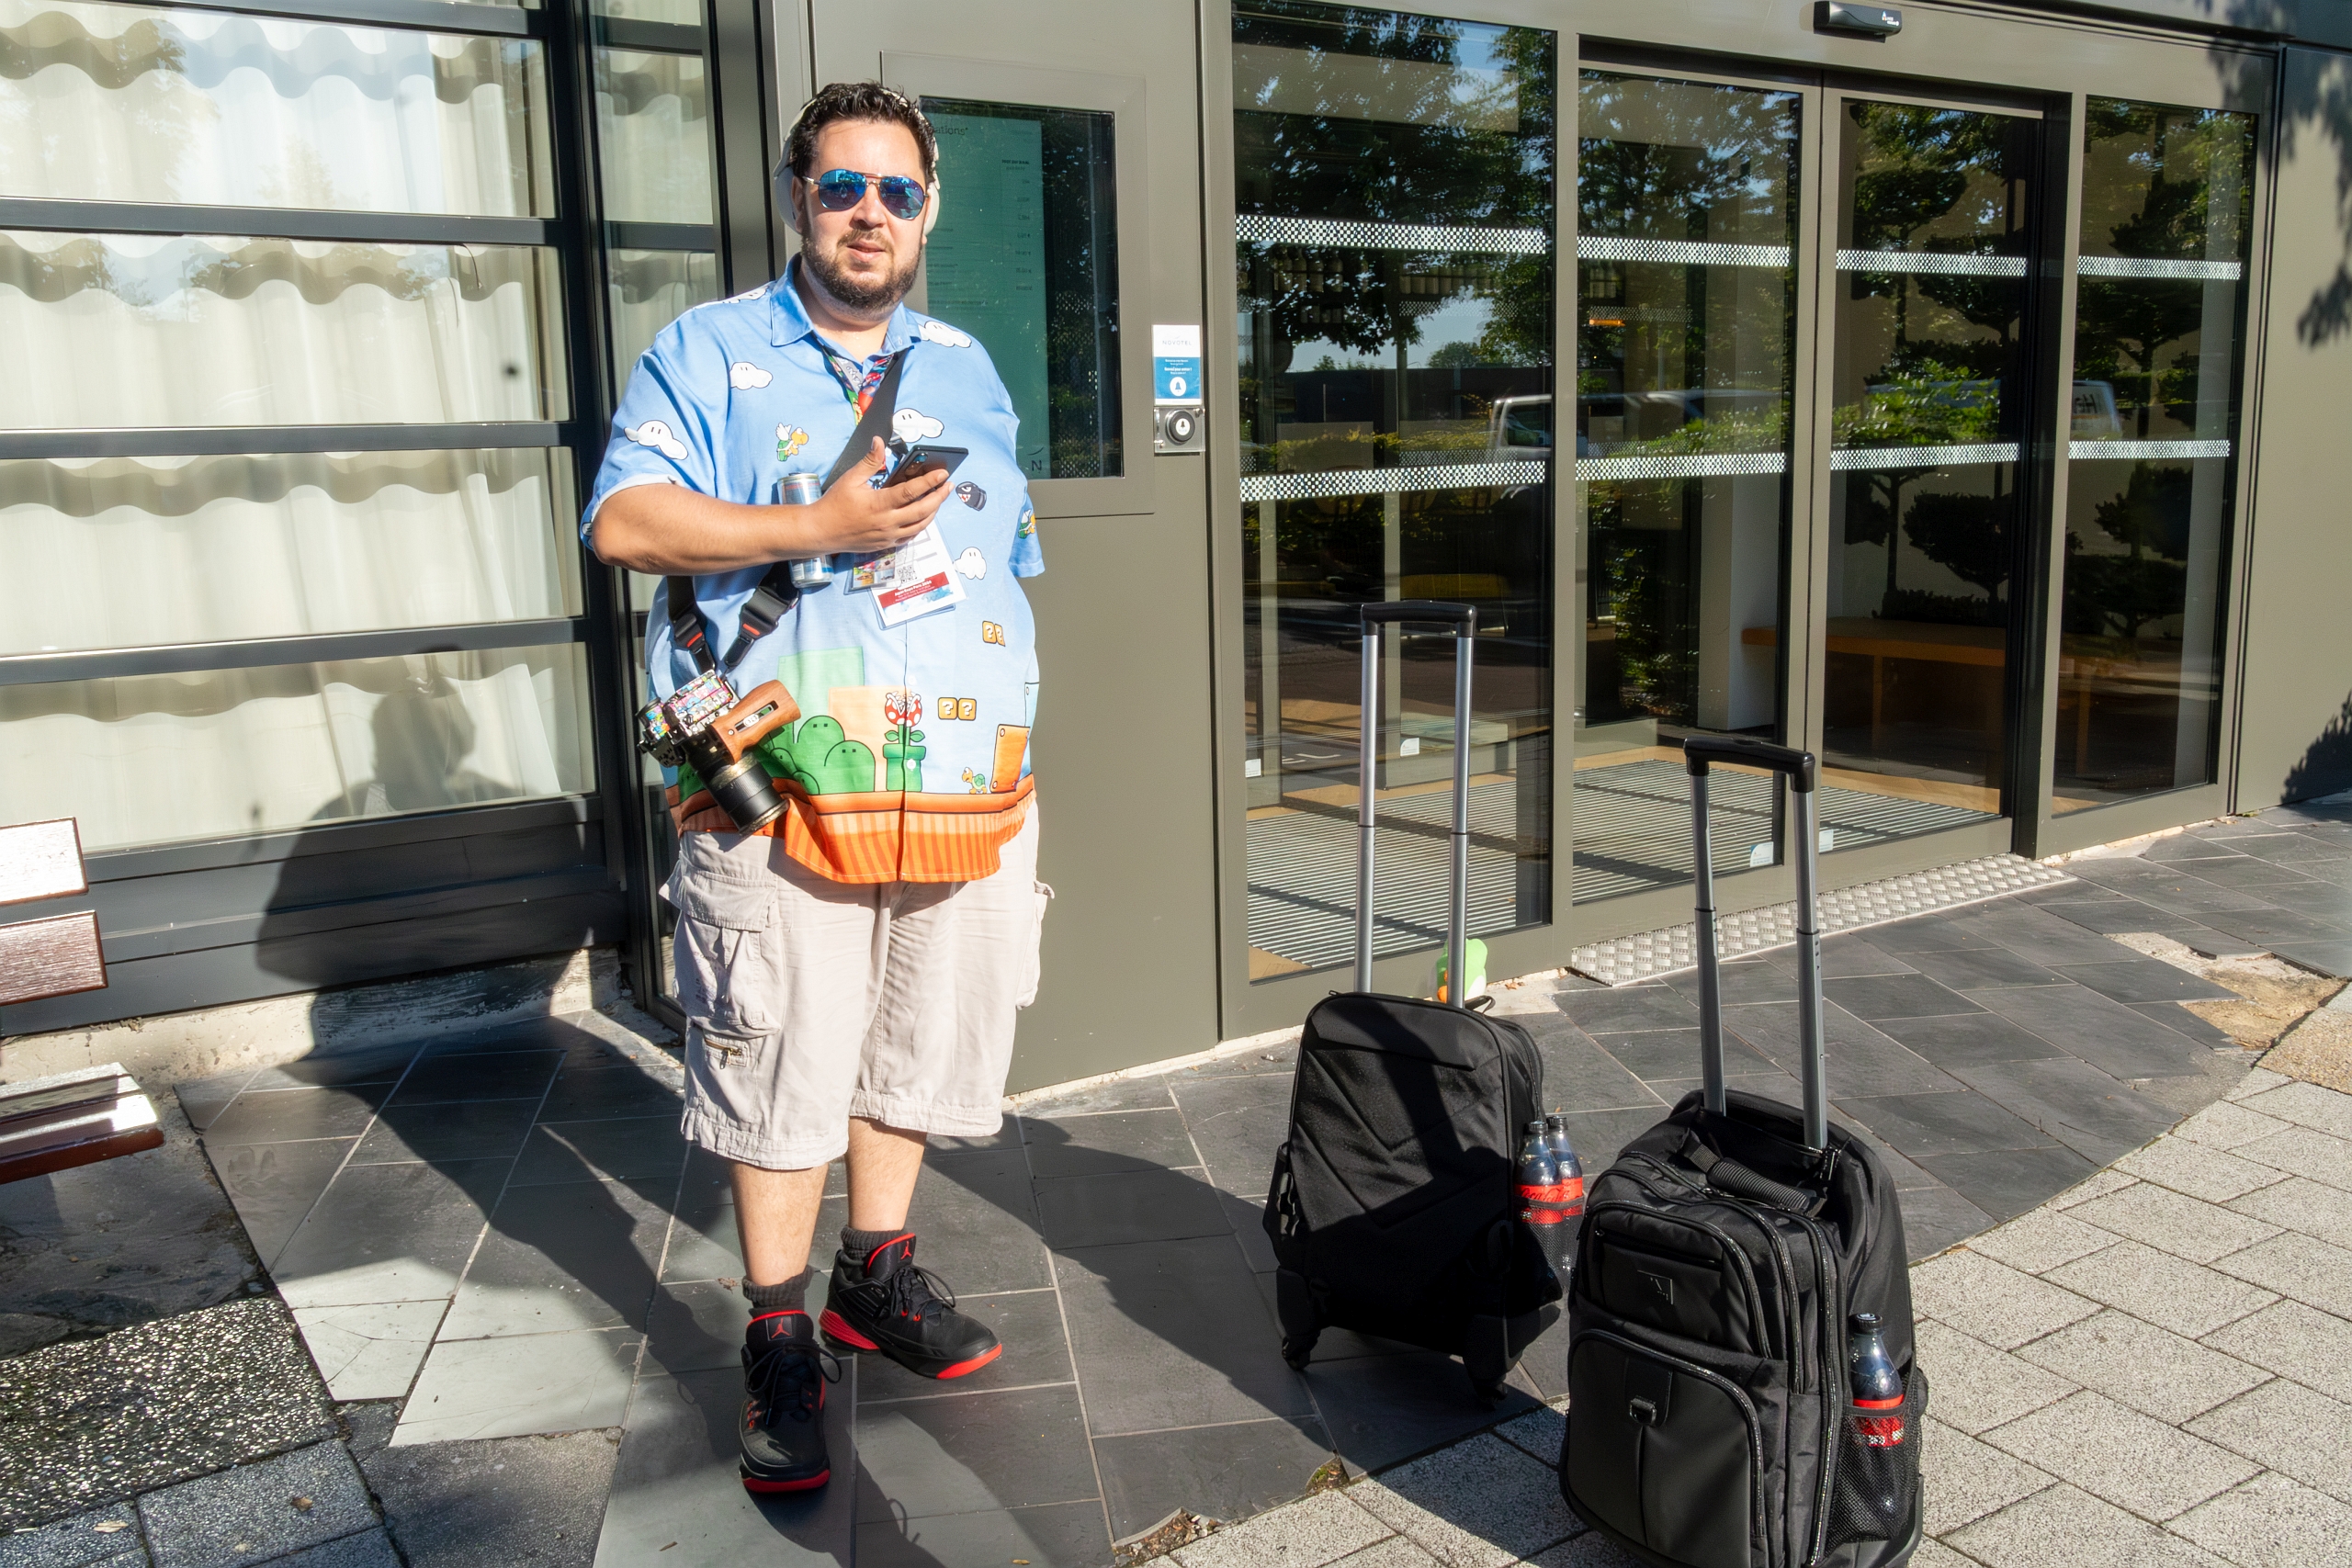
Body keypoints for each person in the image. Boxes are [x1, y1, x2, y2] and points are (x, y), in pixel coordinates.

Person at [583, 81, 1049, 1496]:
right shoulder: (709, 348)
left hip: (962, 784)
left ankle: (877, 1279)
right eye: (843, 187)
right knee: (780, 1049)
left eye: (897, 192)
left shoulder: (969, 363)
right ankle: (779, 1334)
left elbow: (1003, 565)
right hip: (773, 787)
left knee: (919, 1035)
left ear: (929, 211)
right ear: (800, 196)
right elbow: (622, 523)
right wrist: (817, 528)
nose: (870, 214)